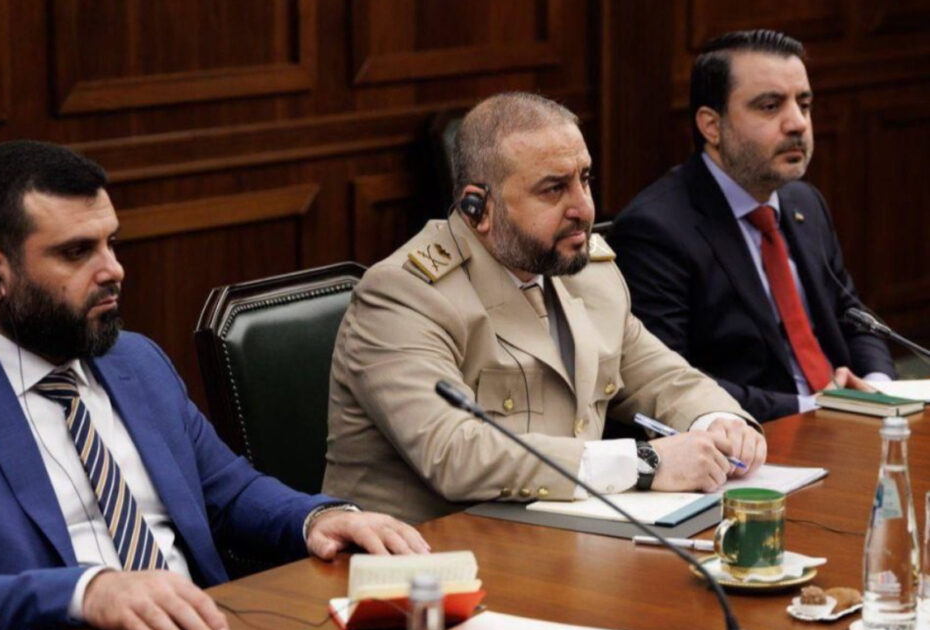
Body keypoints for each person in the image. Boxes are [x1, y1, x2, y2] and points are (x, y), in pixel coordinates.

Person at [0, 141, 428, 630]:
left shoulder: (136, 361)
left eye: (112, 243)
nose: (113, 270)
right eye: (76, 252)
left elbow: (229, 491)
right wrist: (86, 592)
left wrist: (317, 518)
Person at [323, 92, 766, 525]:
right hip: (427, 554)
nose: (584, 208)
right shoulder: (404, 294)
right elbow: (454, 452)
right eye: (554, 189)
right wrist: (643, 463)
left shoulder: (586, 273)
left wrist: (720, 422)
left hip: (553, 540)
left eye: (585, 179)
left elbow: (662, 377)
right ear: (478, 208)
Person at [610, 29, 895, 423]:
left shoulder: (804, 202)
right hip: (758, 436)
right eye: (770, 106)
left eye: (804, 104)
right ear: (712, 126)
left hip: (848, 420)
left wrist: (879, 386)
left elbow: (853, 316)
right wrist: (814, 408)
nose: (797, 123)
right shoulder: (655, 230)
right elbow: (666, 380)